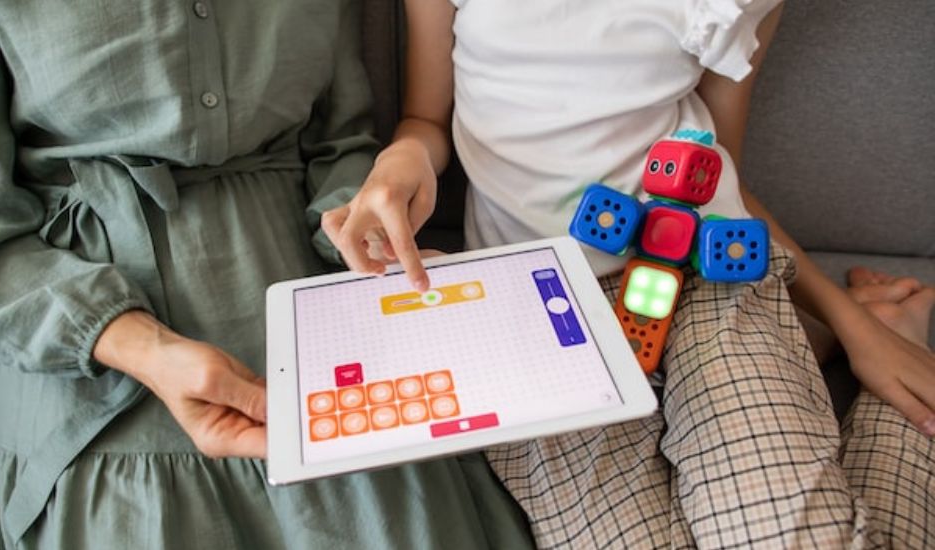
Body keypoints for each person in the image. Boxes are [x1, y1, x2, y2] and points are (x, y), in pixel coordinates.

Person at [324, 1, 935, 547]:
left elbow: (724, 176)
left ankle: (861, 334)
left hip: (704, 279)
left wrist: (858, 330)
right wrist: (400, 161)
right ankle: (873, 344)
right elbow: (425, 121)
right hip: (538, 310)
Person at [0, 2, 536, 548]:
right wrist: (145, 348)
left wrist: (367, 240)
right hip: (90, 354)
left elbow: (339, 142)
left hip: (309, 312)